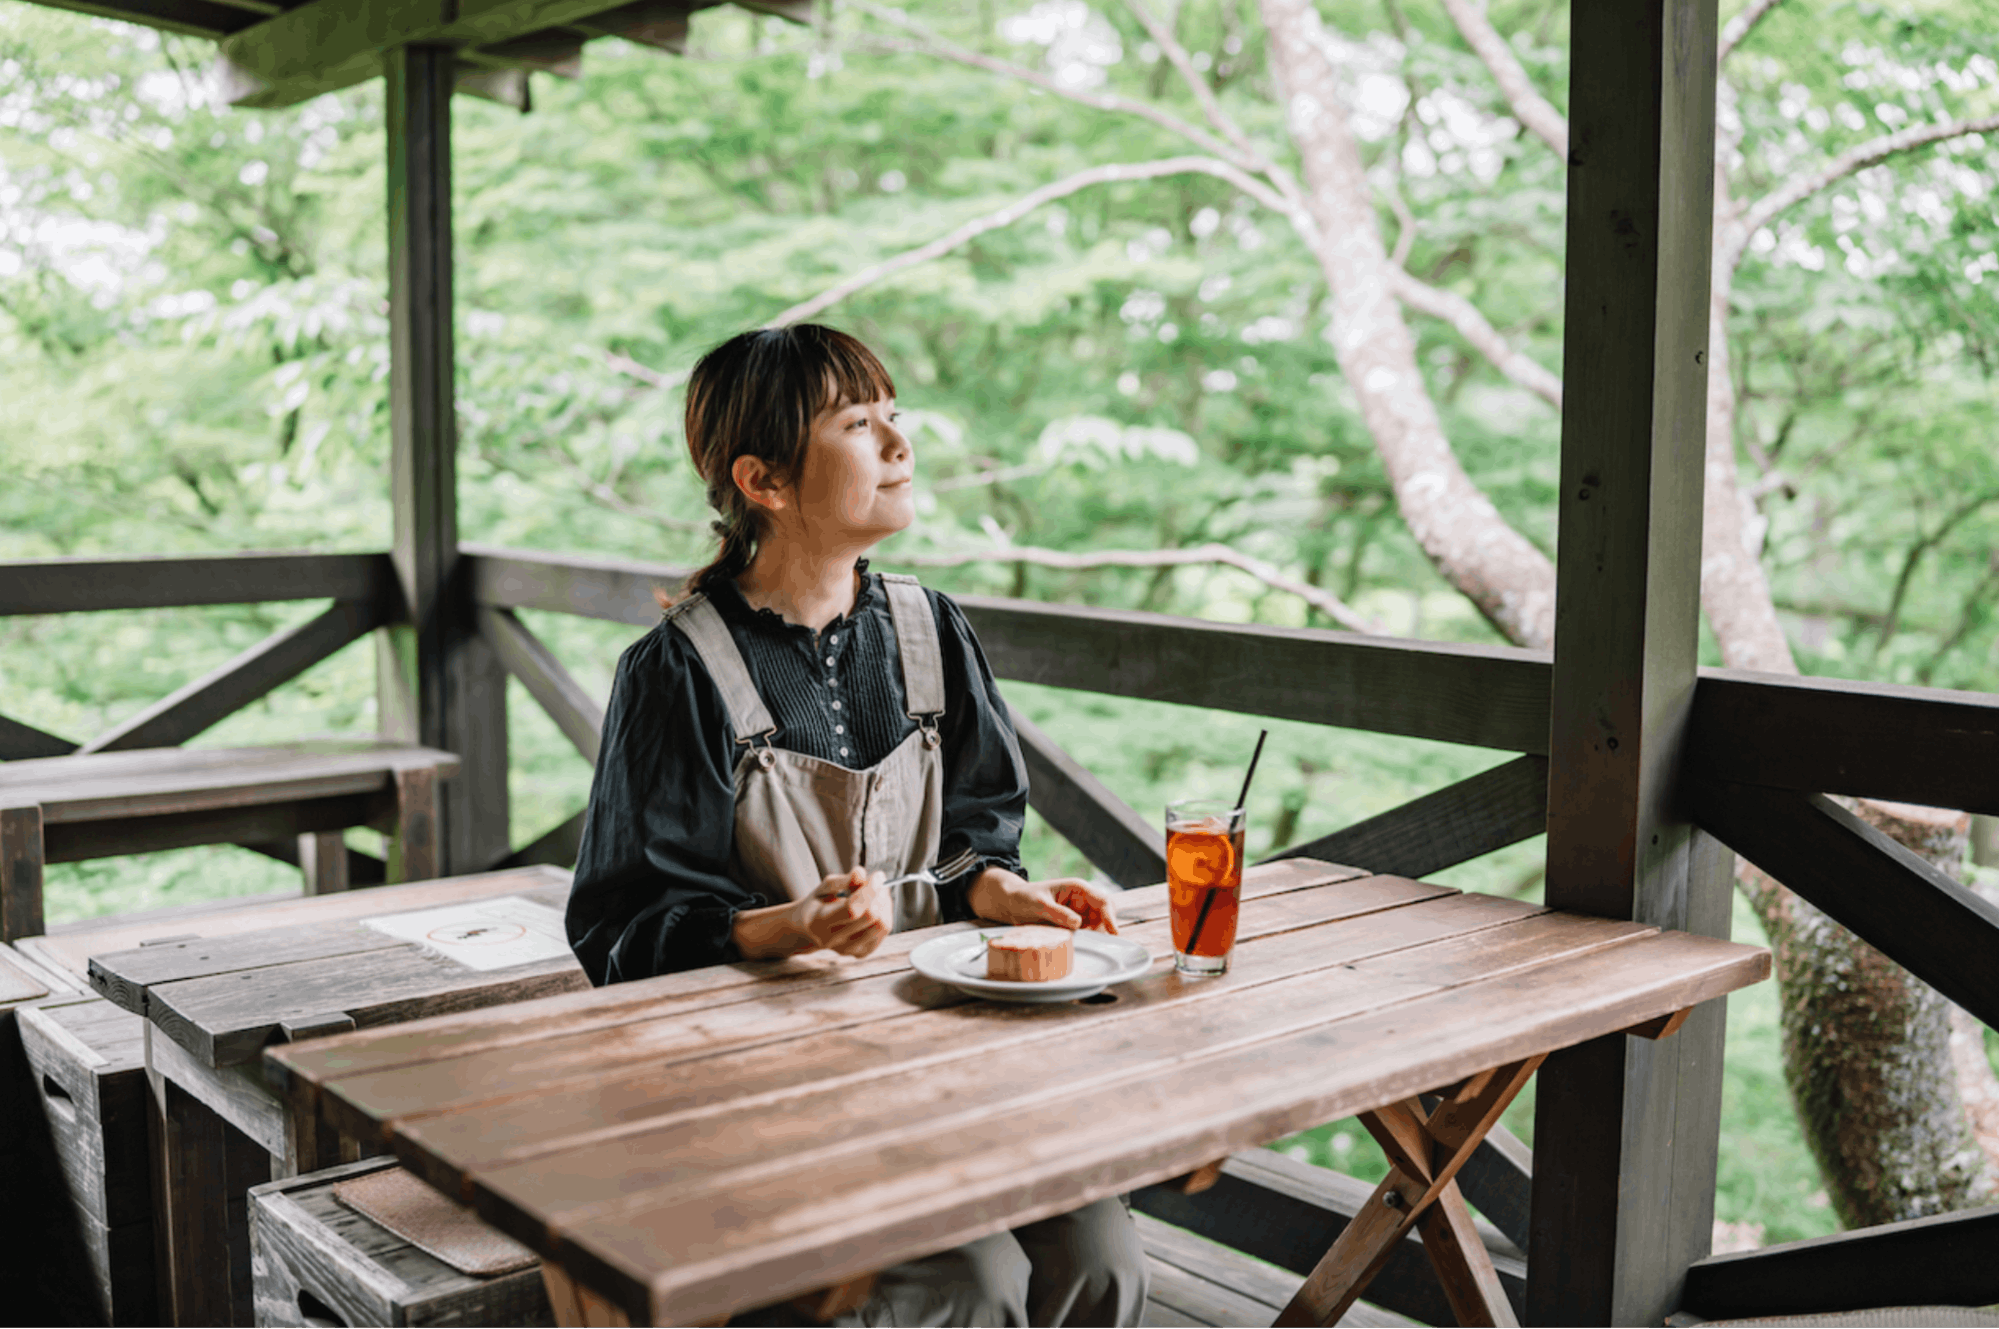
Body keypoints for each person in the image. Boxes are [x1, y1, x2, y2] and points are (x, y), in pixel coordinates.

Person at [565, 324, 1150, 1329]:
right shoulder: (675, 673)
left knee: (1100, 1255)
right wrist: (791, 928)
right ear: (766, 481)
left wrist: (1005, 892)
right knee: (970, 1285)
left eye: (894, 418)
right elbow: (621, 934)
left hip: (946, 1059)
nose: (897, 446)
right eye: (857, 423)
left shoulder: (930, 631)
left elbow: (971, 840)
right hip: (767, 1088)